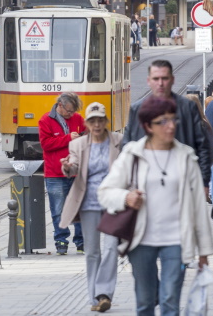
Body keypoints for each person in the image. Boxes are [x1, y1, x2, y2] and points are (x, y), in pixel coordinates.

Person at [99, 95, 213, 316]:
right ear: (147, 126)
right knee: (145, 302)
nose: (170, 126)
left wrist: (204, 251)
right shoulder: (132, 154)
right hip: (141, 239)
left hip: (177, 240)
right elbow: (105, 192)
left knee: (170, 301)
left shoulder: (186, 157)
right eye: (162, 121)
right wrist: (126, 198)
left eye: (173, 120)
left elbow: (198, 205)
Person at [60, 102, 123, 312]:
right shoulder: (78, 145)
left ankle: (104, 292)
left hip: (113, 202)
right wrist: (68, 167)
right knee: (92, 252)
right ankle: (95, 298)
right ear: (86, 123)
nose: (96, 125)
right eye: (92, 121)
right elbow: (74, 165)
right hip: (89, 203)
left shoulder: (118, 141)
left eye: (100, 120)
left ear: (106, 121)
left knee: (112, 247)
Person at [123, 60, 213, 196]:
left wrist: (204, 181)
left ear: (172, 80)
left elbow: (204, 147)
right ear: (149, 81)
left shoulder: (187, 108)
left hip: (182, 184)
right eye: (156, 78)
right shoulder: (137, 109)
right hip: (145, 186)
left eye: (164, 78)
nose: (160, 83)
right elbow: (126, 147)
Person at [39, 92, 86, 255]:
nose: (71, 114)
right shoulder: (45, 120)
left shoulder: (78, 119)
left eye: (73, 111)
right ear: (60, 105)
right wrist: (67, 139)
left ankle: (81, 241)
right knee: (58, 209)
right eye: (69, 111)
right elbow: (46, 144)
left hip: (76, 172)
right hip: (55, 173)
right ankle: (61, 240)